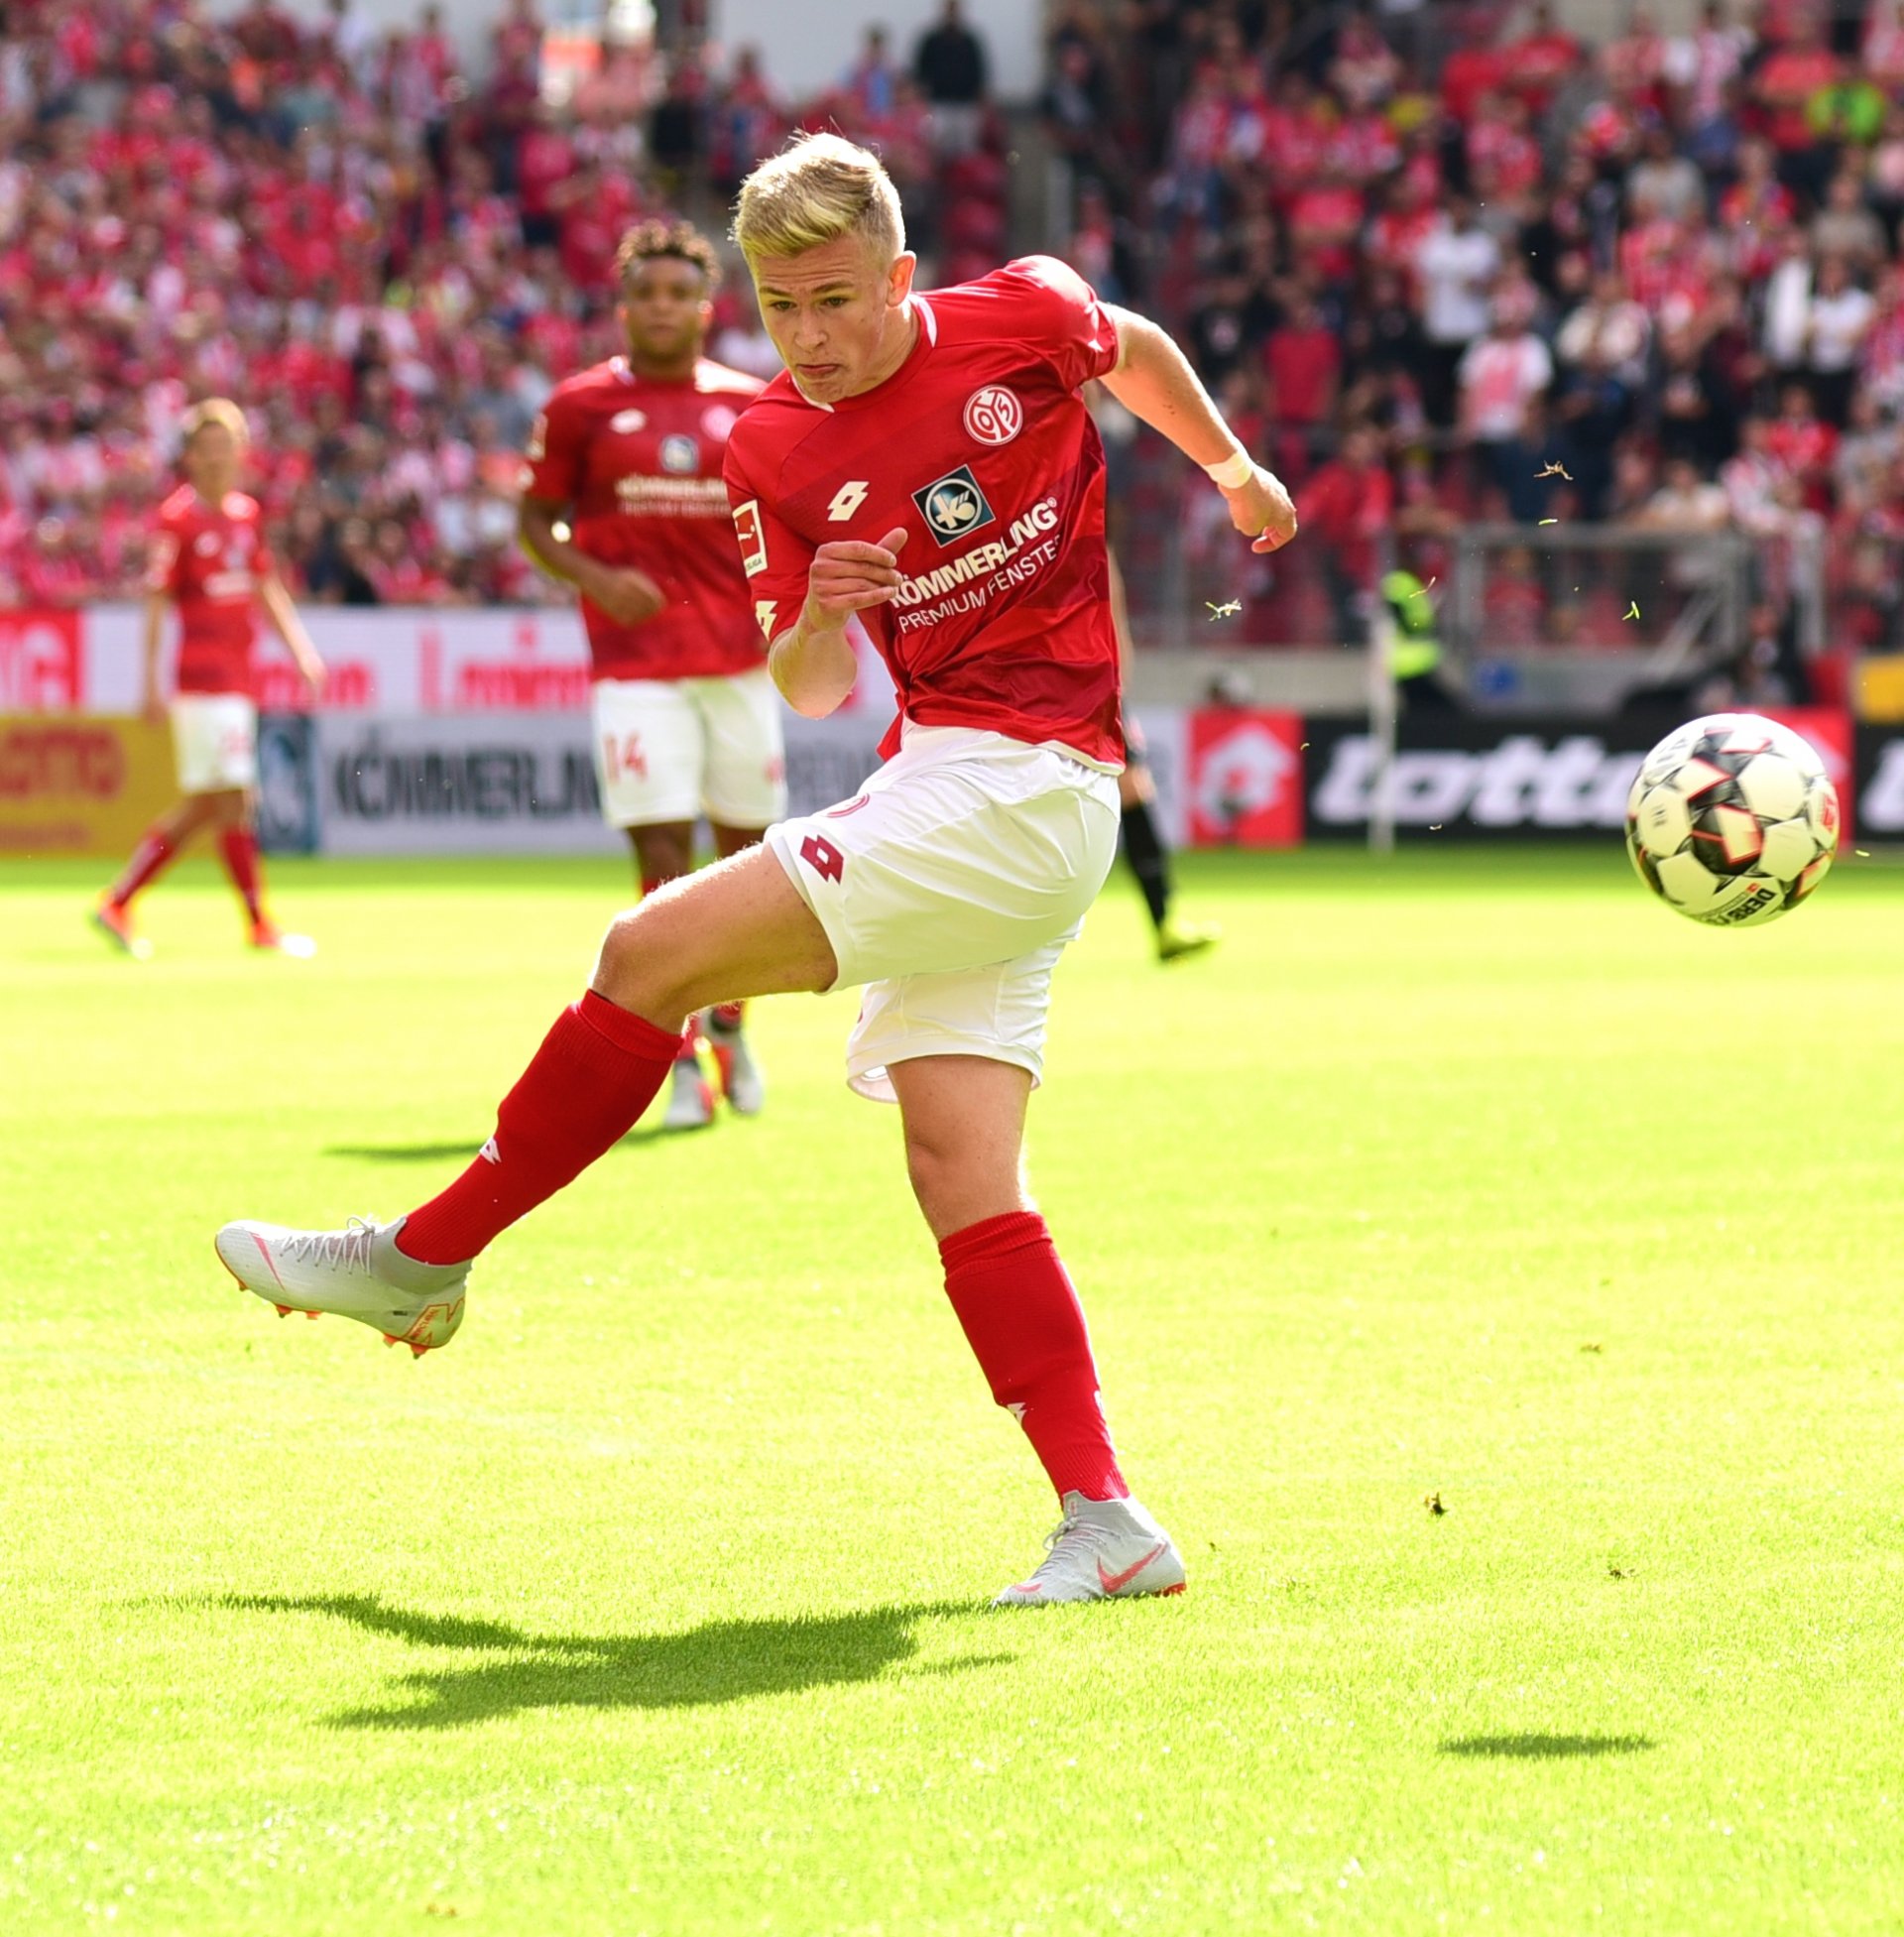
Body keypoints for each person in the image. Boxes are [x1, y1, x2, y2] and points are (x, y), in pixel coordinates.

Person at [215, 134, 1298, 1606]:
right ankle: (1107, 1518)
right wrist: (820, 624)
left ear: (902, 276)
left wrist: (1228, 462)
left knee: (643, 954)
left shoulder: (1024, 314)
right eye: (782, 306)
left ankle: (421, 1253)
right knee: (960, 1169)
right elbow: (795, 684)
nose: (810, 335)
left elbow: (1139, 346)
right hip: (955, 779)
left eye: (838, 298)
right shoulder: (770, 444)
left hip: (1029, 788)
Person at [517, 219, 781, 1131]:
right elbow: (536, 522)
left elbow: (788, 520)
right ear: (624, 306)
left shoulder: (753, 401)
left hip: (743, 665)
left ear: (706, 308)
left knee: (749, 868)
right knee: (663, 863)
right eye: (647, 293)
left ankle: (733, 1028)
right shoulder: (581, 406)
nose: (662, 307)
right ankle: (677, 1061)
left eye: (679, 293)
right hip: (636, 671)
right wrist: (595, 577)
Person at [93, 401, 324, 960]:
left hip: (237, 679)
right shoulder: (177, 520)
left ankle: (119, 901)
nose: (222, 457)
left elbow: (266, 588)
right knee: (236, 798)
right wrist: (148, 681)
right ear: (191, 457)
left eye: (230, 445)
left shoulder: (246, 515)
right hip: (202, 680)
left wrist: (301, 650)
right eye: (211, 447)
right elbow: (155, 603)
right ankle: (257, 923)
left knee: (209, 803)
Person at [1107, 552, 1219, 961]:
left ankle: (1165, 922)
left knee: (1133, 790)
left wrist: (1116, 693)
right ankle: (1164, 922)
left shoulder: (1085, 530)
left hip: (1094, 689)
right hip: (1061, 685)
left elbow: (1113, 614)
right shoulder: (1049, 528)